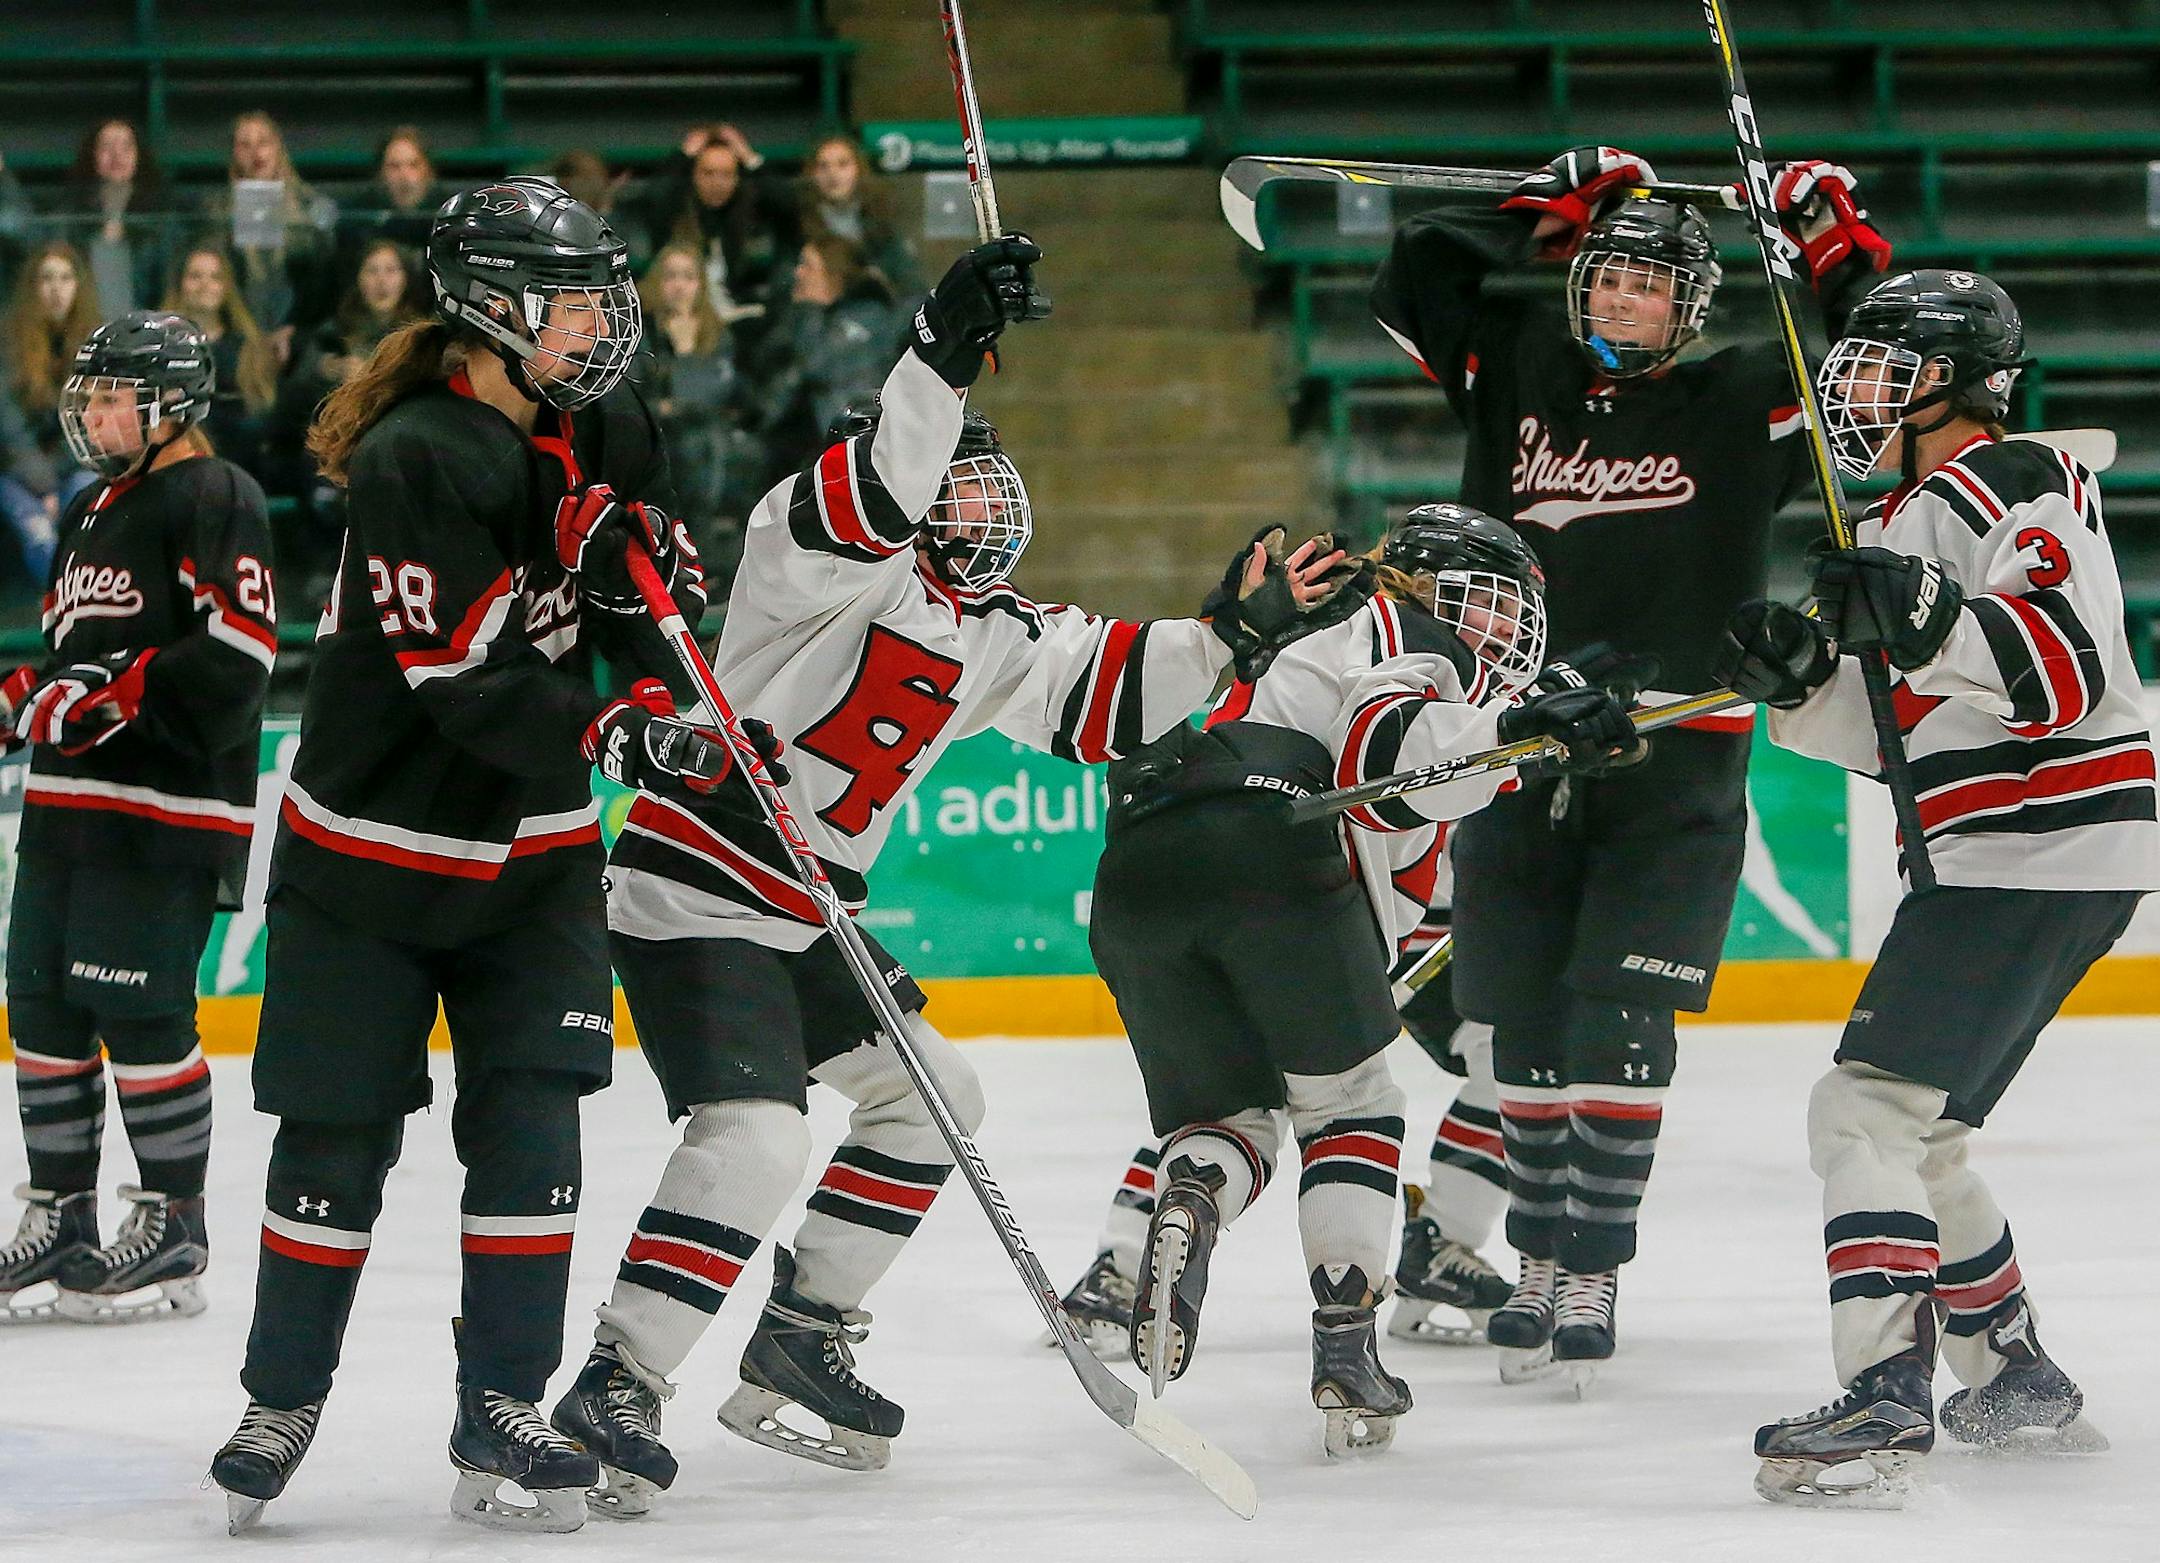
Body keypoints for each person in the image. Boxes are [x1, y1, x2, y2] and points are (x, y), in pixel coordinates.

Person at [552, 234, 1359, 1510]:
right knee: (756, 1138)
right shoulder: (808, 561)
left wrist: (1230, 635)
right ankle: (620, 1377)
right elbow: (881, 479)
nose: (985, 502)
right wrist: (938, 354)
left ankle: (804, 1331)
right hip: (696, 890)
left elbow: (1107, 694)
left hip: (810, 912)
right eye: (958, 480)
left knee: (936, 1102)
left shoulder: (996, 633)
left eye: (995, 480)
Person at [204, 177, 713, 1536]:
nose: (605, 322)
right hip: (367, 860)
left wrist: (661, 651)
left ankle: (501, 1394)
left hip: (532, 861)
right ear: (492, 310)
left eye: (609, 293)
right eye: (578, 300)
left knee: (537, 1126)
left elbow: (642, 608)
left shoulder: (603, 418)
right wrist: (618, 726)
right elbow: (469, 679)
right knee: (335, 1138)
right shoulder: (419, 452)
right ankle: (282, 1393)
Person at [1370, 145, 1893, 1386]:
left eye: (1651, 288)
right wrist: (1549, 201)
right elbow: (1415, 268)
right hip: (1519, 740)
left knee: (1618, 1015)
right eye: (1607, 278)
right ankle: (1539, 1259)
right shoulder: (1518, 372)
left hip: (1676, 747)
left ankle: (1591, 1261)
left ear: (1693, 307)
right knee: (1520, 1029)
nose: (1624, 303)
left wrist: (1830, 251)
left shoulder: (1743, 399)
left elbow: (1878, 392)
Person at [1716, 270, 2157, 1507]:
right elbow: (1895, 735)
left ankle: (1884, 1397)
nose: (1852, 394)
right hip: (2024, 851)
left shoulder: (2011, 479)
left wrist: (1930, 616)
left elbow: (2061, 670)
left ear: (1958, 384)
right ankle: (2010, 1373)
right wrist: (1801, 681)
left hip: (2032, 842)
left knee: (1862, 1119)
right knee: (1929, 1134)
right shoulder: (1914, 514)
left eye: (1882, 369)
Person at [1091, 507, 1639, 1456]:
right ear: (1436, 581)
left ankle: (1185, 1204)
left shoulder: (1285, 634)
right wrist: (1509, 724)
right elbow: (1382, 761)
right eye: (1499, 602)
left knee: (1231, 1119)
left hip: (1138, 869)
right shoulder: (1402, 628)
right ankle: (1346, 1348)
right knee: (1353, 1107)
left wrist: (1507, 739)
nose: (1507, 630)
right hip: (1277, 854)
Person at [0, 311, 275, 1324]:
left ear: (172, 406)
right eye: (94, 396)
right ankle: (63, 1214)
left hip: (161, 810)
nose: (98, 413)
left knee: (140, 1011)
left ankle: (175, 1223)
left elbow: (238, 660)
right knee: (43, 1008)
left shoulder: (215, 493)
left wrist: (110, 689)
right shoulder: (89, 507)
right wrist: (31, 691)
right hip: (68, 812)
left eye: (116, 395)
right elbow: (81, 654)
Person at [269, 238, 427, 594]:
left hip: (401, 440)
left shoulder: (424, 336)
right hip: (343, 441)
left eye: (390, 270)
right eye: (372, 270)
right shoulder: (332, 333)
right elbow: (294, 398)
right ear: (357, 278)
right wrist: (327, 372)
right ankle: (331, 570)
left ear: (405, 278)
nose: (381, 280)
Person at [634, 241, 758, 581]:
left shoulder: (718, 334)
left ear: (700, 284)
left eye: (688, 277)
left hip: (711, 432)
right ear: (658, 282)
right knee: (692, 449)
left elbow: (724, 391)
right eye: (671, 276)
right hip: (662, 433)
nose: (679, 285)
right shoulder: (643, 333)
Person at [751, 235, 903, 478]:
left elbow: (814, 362)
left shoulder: (869, 313)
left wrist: (808, 310)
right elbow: (766, 365)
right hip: (800, 443)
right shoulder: (802, 318)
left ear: (833, 276)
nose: (797, 273)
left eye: (807, 266)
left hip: (856, 443)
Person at [199, 111, 340, 360]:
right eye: (245, 145)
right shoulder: (214, 212)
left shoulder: (313, 207)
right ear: (233, 153)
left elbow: (326, 278)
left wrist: (294, 330)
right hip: (237, 334)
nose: (256, 153)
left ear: (278, 148)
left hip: (301, 333)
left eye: (263, 142)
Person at [162, 245, 280, 476]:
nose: (205, 285)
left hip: (239, 462)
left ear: (227, 287)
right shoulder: (161, 345)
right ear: (180, 285)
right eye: (195, 276)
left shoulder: (248, 347)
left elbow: (263, 409)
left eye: (215, 277)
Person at [48, 119, 176, 318]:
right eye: (107, 146)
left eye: (126, 146)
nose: (117, 155)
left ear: (139, 156)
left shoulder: (160, 218)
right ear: (92, 155)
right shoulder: (70, 217)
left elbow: (168, 286)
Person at [798, 133, 922, 297]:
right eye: (823, 166)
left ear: (859, 169)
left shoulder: (881, 222)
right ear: (811, 174)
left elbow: (912, 286)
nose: (832, 173)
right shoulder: (797, 224)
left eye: (842, 164)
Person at [331, 126, 440, 287]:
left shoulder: (447, 217)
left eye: (413, 165)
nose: (404, 176)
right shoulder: (357, 222)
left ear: (428, 171)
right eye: (394, 166)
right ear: (381, 174)